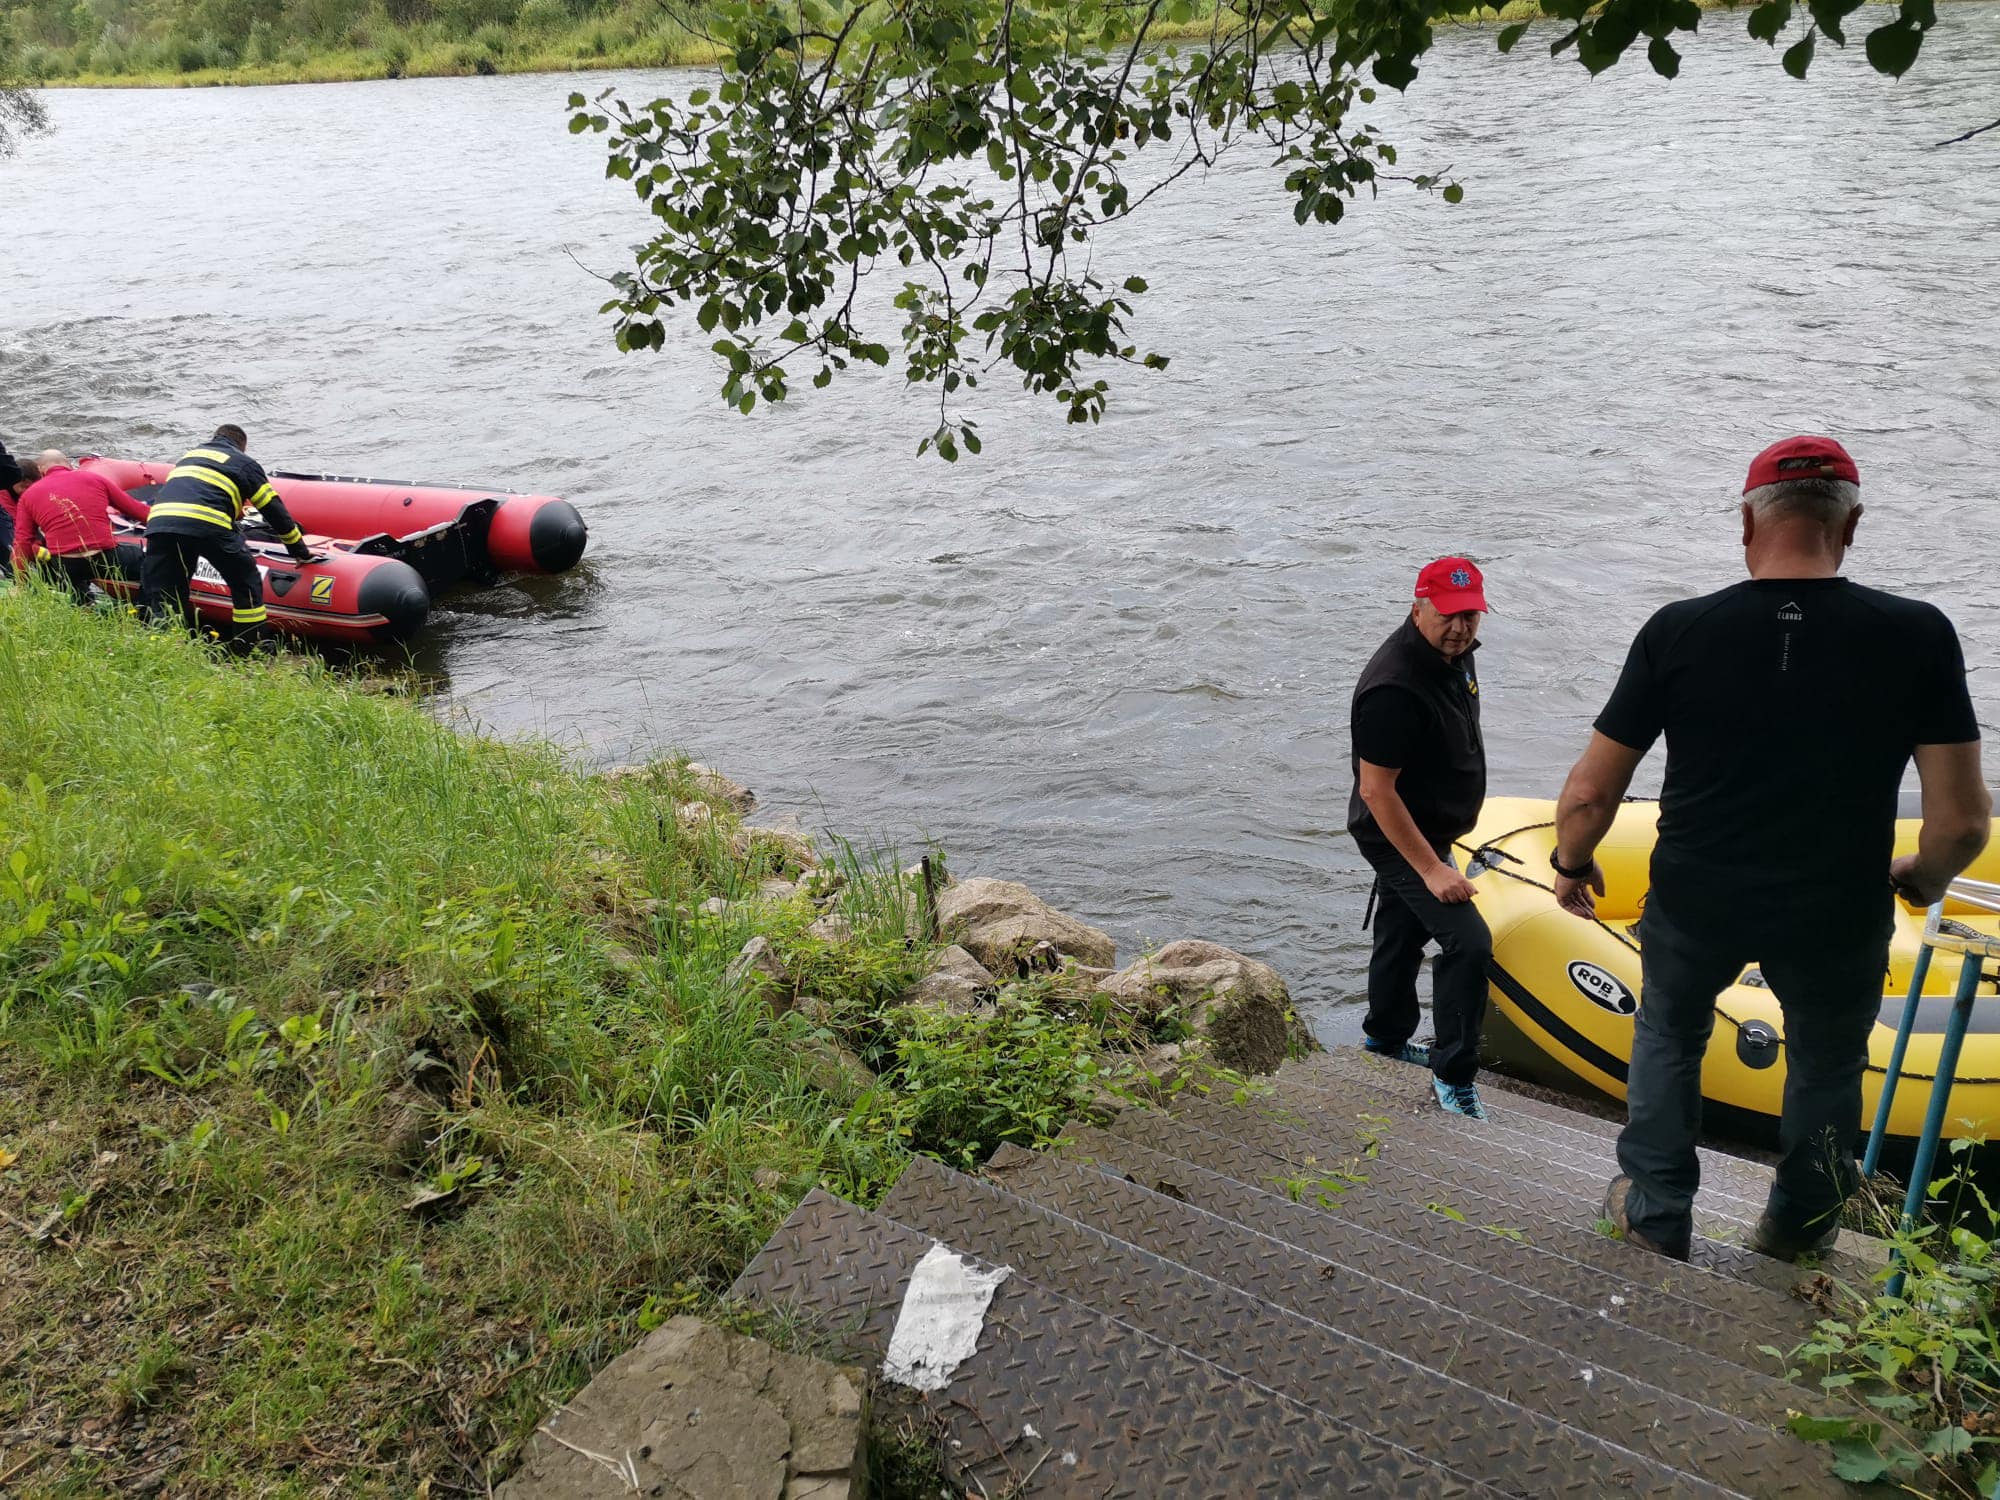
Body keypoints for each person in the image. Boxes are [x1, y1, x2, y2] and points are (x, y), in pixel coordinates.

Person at [1551, 435, 1990, 1262]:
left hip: (1696, 896)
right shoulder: (1919, 634)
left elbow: (1587, 795)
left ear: (1746, 527)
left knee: (1669, 1040)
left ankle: (1657, 1215)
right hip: (1837, 904)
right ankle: (1796, 1231)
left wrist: (1572, 867)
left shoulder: (1679, 630)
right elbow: (1963, 823)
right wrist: (1922, 879)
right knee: (1827, 1068)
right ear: (1850, 526)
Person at [1347, 556, 1495, 1120]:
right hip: (1397, 831)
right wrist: (1433, 868)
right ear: (1418, 606)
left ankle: (1384, 1039)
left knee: (1402, 929)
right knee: (1468, 943)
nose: (1460, 627)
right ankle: (1454, 1074)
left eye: (1471, 615)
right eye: (1448, 615)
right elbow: (1377, 791)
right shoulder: (1394, 686)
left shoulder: (1451, 656)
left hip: (1432, 824)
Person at [139, 424, 312, 640]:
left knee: (167, 589)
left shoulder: (189, 458)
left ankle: (164, 644)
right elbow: (272, 508)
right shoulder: (243, 463)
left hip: (160, 525)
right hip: (208, 525)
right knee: (246, 580)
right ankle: (250, 645)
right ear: (242, 446)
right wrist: (298, 549)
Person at [9, 450, 151, 605]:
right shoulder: (94, 479)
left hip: (66, 564)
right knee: (153, 562)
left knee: (54, 563)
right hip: (105, 556)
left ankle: (83, 605)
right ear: (69, 465)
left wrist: (20, 584)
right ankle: (146, 609)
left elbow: (22, 543)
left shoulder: (27, 496)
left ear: (41, 470)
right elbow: (138, 511)